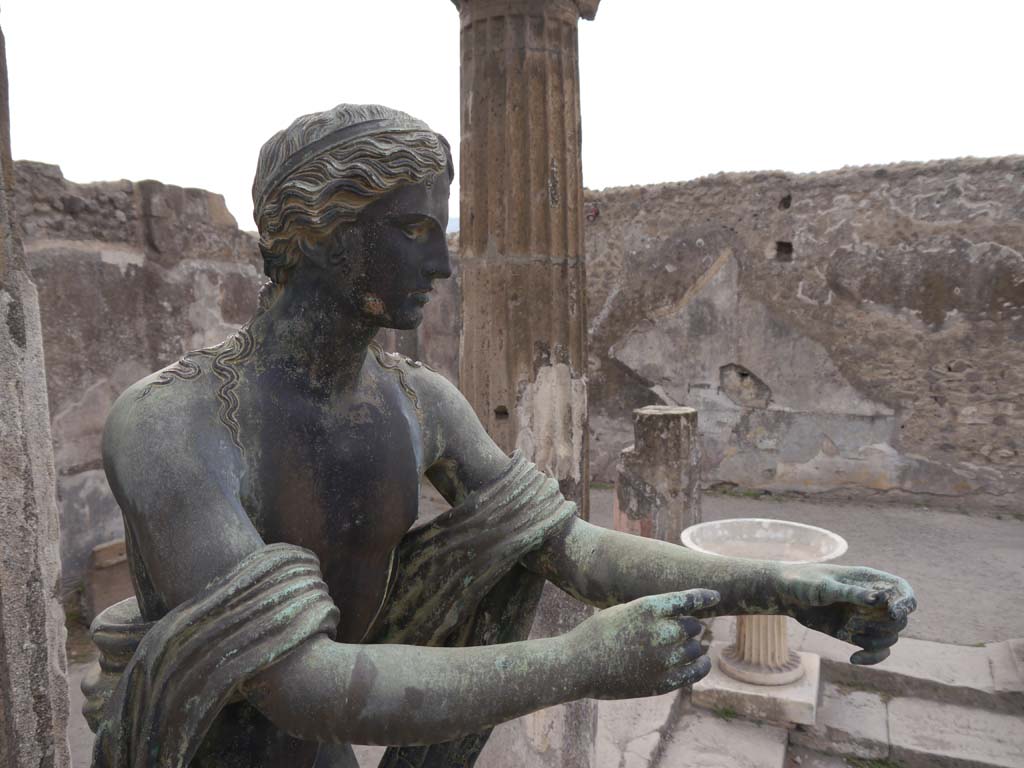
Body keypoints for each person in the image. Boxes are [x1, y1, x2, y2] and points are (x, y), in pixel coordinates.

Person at [86, 104, 916, 768]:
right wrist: (579, 662)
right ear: (319, 230)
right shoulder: (176, 424)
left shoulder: (420, 403)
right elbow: (297, 681)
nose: (442, 266)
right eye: (412, 230)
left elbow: (567, 545)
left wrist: (786, 589)